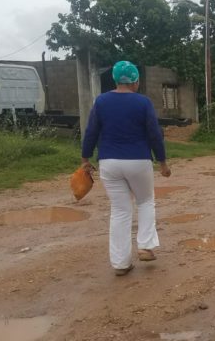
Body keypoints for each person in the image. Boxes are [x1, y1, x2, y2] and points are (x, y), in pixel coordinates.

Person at [81, 60, 171, 276]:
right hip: (139, 161)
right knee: (145, 201)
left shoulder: (101, 101)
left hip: (109, 163)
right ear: (135, 81)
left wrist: (85, 158)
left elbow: (91, 131)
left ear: (114, 79)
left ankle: (121, 264)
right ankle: (145, 246)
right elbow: (154, 134)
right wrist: (162, 162)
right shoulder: (143, 103)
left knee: (120, 211)